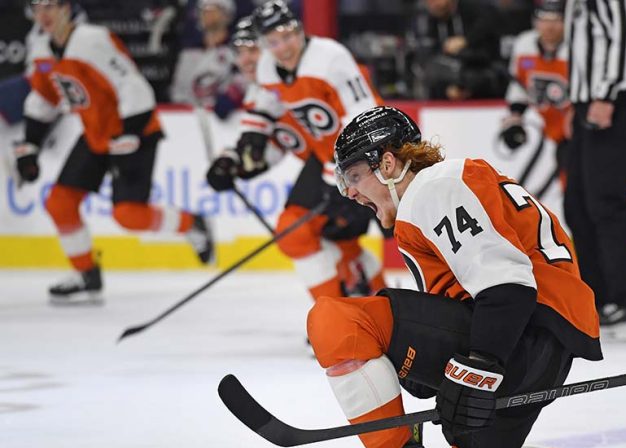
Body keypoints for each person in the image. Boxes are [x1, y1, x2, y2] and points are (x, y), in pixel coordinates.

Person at [303, 105, 626, 448]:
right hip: (537, 343)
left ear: (387, 162)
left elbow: (508, 283)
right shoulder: (437, 197)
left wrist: (481, 364)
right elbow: (475, 294)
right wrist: (427, 371)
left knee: (336, 319)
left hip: (520, 326)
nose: (350, 193)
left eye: (353, 176)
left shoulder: (433, 186)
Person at [13, 0, 213, 304]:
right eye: (38, 8)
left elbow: (132, 85)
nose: (44, 15)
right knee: (59, 203)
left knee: (129, 215)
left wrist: (131, 131)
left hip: (136, 131)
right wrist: (31, 145)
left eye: (51, 6)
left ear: (67, 8)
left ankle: (192, 223)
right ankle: (86, 274)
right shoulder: (41, 48)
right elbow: (43, 98)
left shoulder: (92, 40)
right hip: (96, 135)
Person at [206, 0, 385, 302]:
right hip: (327, 162)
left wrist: (341, 173)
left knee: (402, 235)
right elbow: (274, 134)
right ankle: (338, 313)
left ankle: (409, 310)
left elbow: (362, 114)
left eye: (253, 50)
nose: (249, 60)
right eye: (244, 51)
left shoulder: (327, 60)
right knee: (301, 232)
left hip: (370, 157)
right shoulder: (270, 80)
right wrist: (238, 159)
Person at [563, 0, 626, 341]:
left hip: (621, 100)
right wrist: (579, 100)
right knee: (577, 203)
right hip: (594, 100)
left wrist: (606, 97)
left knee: (605, 201)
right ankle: (597, 299)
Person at [500, 0, 571, 186]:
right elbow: (519, 86)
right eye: (544, 19)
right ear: (535, 21)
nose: (550, 26)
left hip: (577, 127)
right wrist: (515, 116)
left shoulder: (577, 47)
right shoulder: (524, 44)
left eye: (556, 20)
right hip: (551, 126)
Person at [406, 0, 506, 100]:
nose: (432, 4)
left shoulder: (474, 10)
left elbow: (493, 23)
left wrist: (466, 40)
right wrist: (446, 88)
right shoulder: (424, 19)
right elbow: (426, 59)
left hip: (481, 84)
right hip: (443, 88)